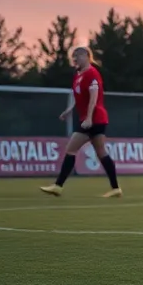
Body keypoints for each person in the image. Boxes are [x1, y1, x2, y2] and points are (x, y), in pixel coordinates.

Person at [40, 47, 121, 198]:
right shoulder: (78, 76)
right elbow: (80, 98)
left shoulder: (92, 73)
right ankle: (116, 188)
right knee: (101, 152)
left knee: (71, 149)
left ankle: (58, 186)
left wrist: (89, 118)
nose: (75, 60)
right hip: (94, 118)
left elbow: (94, 97)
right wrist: (70, 110)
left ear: (86, 56)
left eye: (77, 56)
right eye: (73, 57)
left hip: (94, 118)